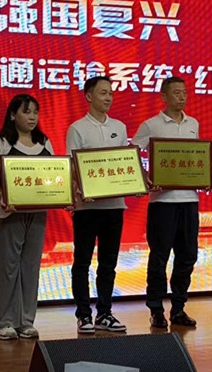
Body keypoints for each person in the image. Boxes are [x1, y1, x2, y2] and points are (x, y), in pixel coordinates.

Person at [132, 76, 200, 328]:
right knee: (159, 258)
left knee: (188, 256)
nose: (182, 96)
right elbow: (131, 153)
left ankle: (179, 308)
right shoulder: (151, 125)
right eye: (176, 92)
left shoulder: (193, 123)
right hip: (162, 202)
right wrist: (145, 178)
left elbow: (196, 158)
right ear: (163, 96)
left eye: (184, 92)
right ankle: (156, 309)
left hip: (189, 199)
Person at [0, 94, 51, 340]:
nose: (32, 117)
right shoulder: (2, 143)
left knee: (31, 266)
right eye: (26, 112)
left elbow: (54, 176)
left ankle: (26, 322)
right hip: (9, 213)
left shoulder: (44, 142)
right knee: (8, 266)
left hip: (37, 213)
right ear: (13, 115)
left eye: (35, 112)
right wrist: (4, 196)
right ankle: (4, 322)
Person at [66, 76, 128, 333]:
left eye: (110, 93)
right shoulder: (77, 128)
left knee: (108, 263)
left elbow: (125, 162)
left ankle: (104, 312)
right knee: (82, 262)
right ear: (89, 96)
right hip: (87, 207)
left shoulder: (119, 127)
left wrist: (132, 183)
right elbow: (72, 166)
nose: (108, 97)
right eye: (103, 93)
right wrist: (81, 189)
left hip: (114, 206)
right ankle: (83, 315)